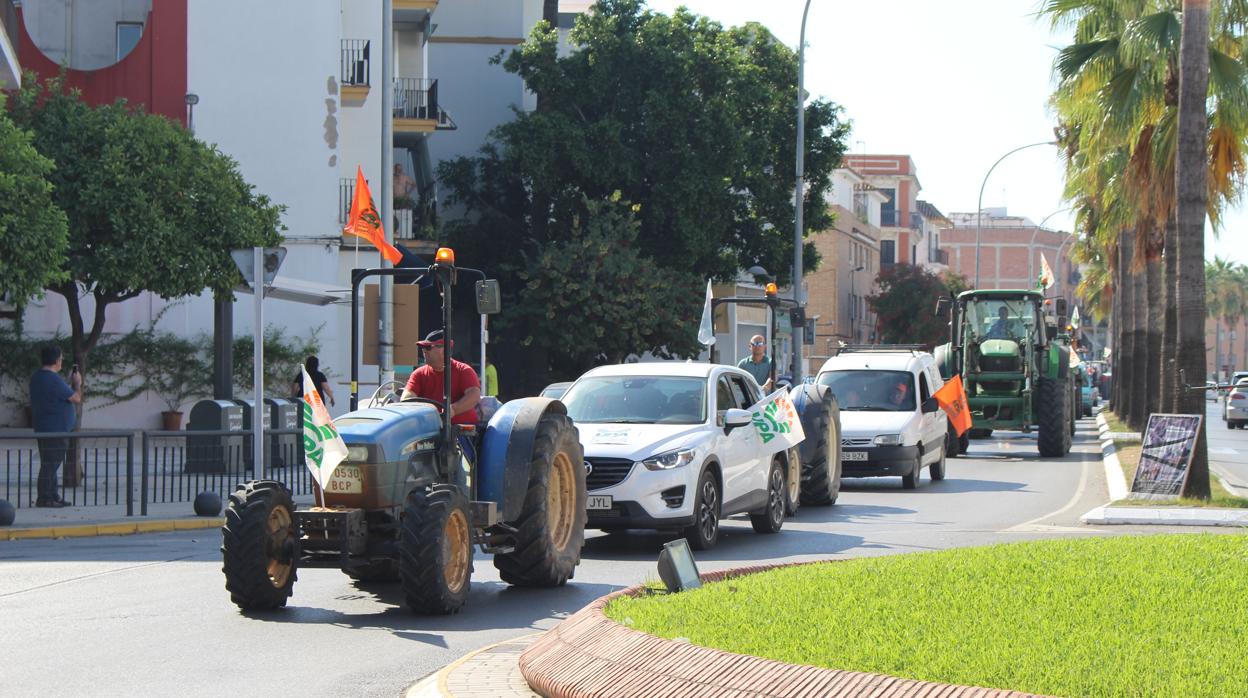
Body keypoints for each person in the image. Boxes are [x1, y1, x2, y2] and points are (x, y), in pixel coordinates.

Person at [29, 346, 82, 508]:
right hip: (56, 429)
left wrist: (65, 382)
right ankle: (45, 497)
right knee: (51, 464)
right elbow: (76, 398)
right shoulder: (54, 380)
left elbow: (54, 395)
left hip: (44, 426)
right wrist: (77, 383)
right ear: (57, 360)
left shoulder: (37, 377)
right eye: (61, 359)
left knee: (50, 461)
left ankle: (53, 495)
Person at [402, 330, 481, 426]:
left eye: (428, 347)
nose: (424, 350)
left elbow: (474, 396)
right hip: (429, 430)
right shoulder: (418, 374)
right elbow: (407, 399)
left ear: (444, 350)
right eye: (423, 347)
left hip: (461, 431)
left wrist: (452, 410)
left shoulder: (464, 371)